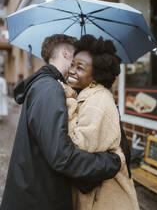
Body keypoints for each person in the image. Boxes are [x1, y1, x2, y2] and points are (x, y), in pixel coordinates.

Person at [0, 34, 125, 210]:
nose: (74, 67)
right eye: (74, 59)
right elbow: (62, 156)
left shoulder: (47, 86)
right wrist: (113, 162)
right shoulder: (50, 89)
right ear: (66, 53)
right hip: (38, 199)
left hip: (35, 193)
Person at [63, 35, 140, 210]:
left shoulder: (97, 102)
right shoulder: (88, 95)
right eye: (72, 64)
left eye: (80, 68)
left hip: (106, 201)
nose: (72, 70)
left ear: (97, 74)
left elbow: (76, 148)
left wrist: (68, 103)